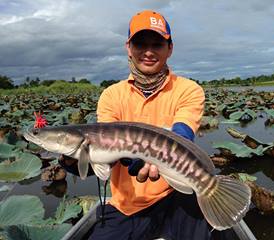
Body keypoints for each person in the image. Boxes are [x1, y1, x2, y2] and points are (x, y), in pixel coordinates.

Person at [61, 10, 235, 240]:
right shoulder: (111, 95)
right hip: (127, 205)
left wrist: (155, 155)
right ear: (128, 47)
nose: (149, 52)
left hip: (177, 195)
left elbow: (182, 133)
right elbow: (105, 151)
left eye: (157, 44)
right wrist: (72, 161)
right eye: (141, 44)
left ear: (169, 48)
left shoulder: (189, 90)